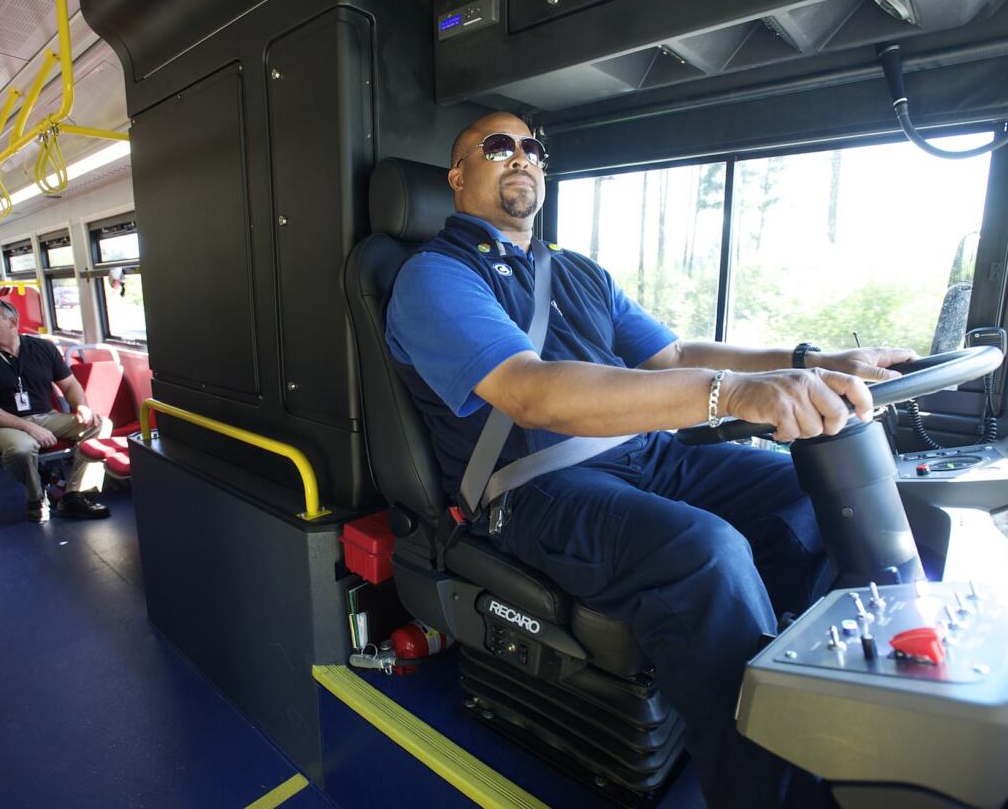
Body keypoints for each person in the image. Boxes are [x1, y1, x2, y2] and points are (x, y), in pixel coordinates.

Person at [386, 112, 915, 808]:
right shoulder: (435, 278)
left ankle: (794, 701)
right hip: (537, 487)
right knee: (706, 550)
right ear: (458, 177)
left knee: (809, 490)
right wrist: (735, 396)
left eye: (532, 148)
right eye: (497, 147)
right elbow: (532, 393)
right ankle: (758, 791)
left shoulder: (576, 272)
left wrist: (807, 362)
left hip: (646, 456)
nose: (521, 157)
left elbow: (680, 357)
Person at [0, 297, 112, 522]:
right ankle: (36, 497)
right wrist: (29, 427)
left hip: (45, 417)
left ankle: (75, 495)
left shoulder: (43, 348)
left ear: (12, 322)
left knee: (100, 424)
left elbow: (69, 384)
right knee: (22, 447)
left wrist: (82, 407)